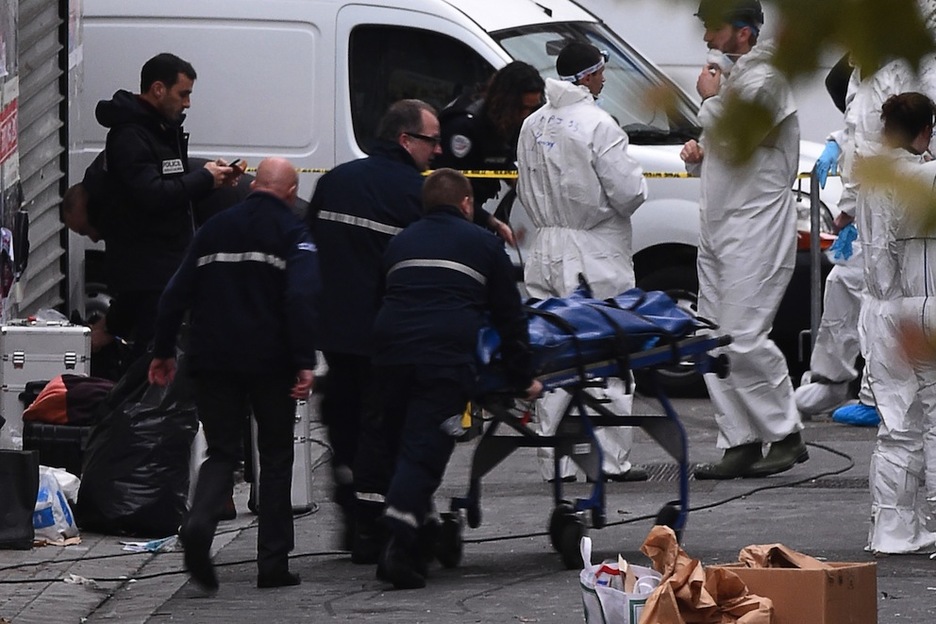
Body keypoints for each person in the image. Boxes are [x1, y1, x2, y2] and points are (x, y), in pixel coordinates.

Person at [148, 157, 320, 590]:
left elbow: (173, 294)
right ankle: (273, 564)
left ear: (253, 184)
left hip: (213, 359)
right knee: (277, 457)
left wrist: (164, 351)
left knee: (222, 452)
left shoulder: (214, 229)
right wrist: (303, 358)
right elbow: (300, 298)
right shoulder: (293, 233)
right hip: (270, 362)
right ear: (291, 191)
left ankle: (200, 522)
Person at [370, 168, 541, 589]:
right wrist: (523, 378)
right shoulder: (484, 244)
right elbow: (510, 319)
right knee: (424, 450)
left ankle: (420, 533)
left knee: (401, 445)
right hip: (442, 359)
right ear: (467, 205)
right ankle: (397, 537)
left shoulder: (399, 242)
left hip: (389, 354)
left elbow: (384, 297)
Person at [679, 0, 807, 479]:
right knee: (711, 337)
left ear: (743, 32)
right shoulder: (737, 79)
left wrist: (709, 101)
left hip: (755, 227)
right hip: (719, 224)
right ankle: (740, 440)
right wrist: (698, 154)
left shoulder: (769, 78)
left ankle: (785, 432)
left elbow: (742, 137)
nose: (708, 38)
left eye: (714, 28)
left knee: (744, 336)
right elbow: (726, 153)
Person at [307, 99, 440, 559]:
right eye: (431, 141)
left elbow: (312, 249)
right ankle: (375, 527)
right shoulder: (414, 193)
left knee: (343, 422)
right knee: (383, 430)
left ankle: (352, 514)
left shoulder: (334, 181)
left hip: (336, 334)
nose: (437, 151)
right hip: (386, 336)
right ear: (406, 139)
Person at [516, 41, 649, 483]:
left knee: (553, 355)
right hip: (594, 254)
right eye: (602, 72)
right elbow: (629, 192)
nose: (605, 79)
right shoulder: (599, 124)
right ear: (589, 75)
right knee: (605, 352)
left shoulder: (532, 124)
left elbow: (523, 188)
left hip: (545, 250)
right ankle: (609, 460)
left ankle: (558, 461)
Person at [94, 52, 236, 361]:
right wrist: (203, 179)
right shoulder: (131, 136)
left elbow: (174, 190)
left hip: (166, 267)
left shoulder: (160, 130)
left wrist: (211, 179)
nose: (187, 103)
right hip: (148, 273)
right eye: (183, 94)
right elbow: (153, 195)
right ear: (158, 89)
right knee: (153, 360)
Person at [860, 92, 936, 554]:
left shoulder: (871, 175)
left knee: (897, 424)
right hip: (926, 304)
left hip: (880, 312)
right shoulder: (924, 176)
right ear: (924, 130)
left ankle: (892, 529)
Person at [436, 61, 544, 227]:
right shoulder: (464, 125)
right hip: (448, 215)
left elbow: (502, 158)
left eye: (531, 109)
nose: (525, 116)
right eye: (521, 108)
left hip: (475, 207)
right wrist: (491, 222)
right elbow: (445, 190)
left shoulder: (508, 120)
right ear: (506, 101)